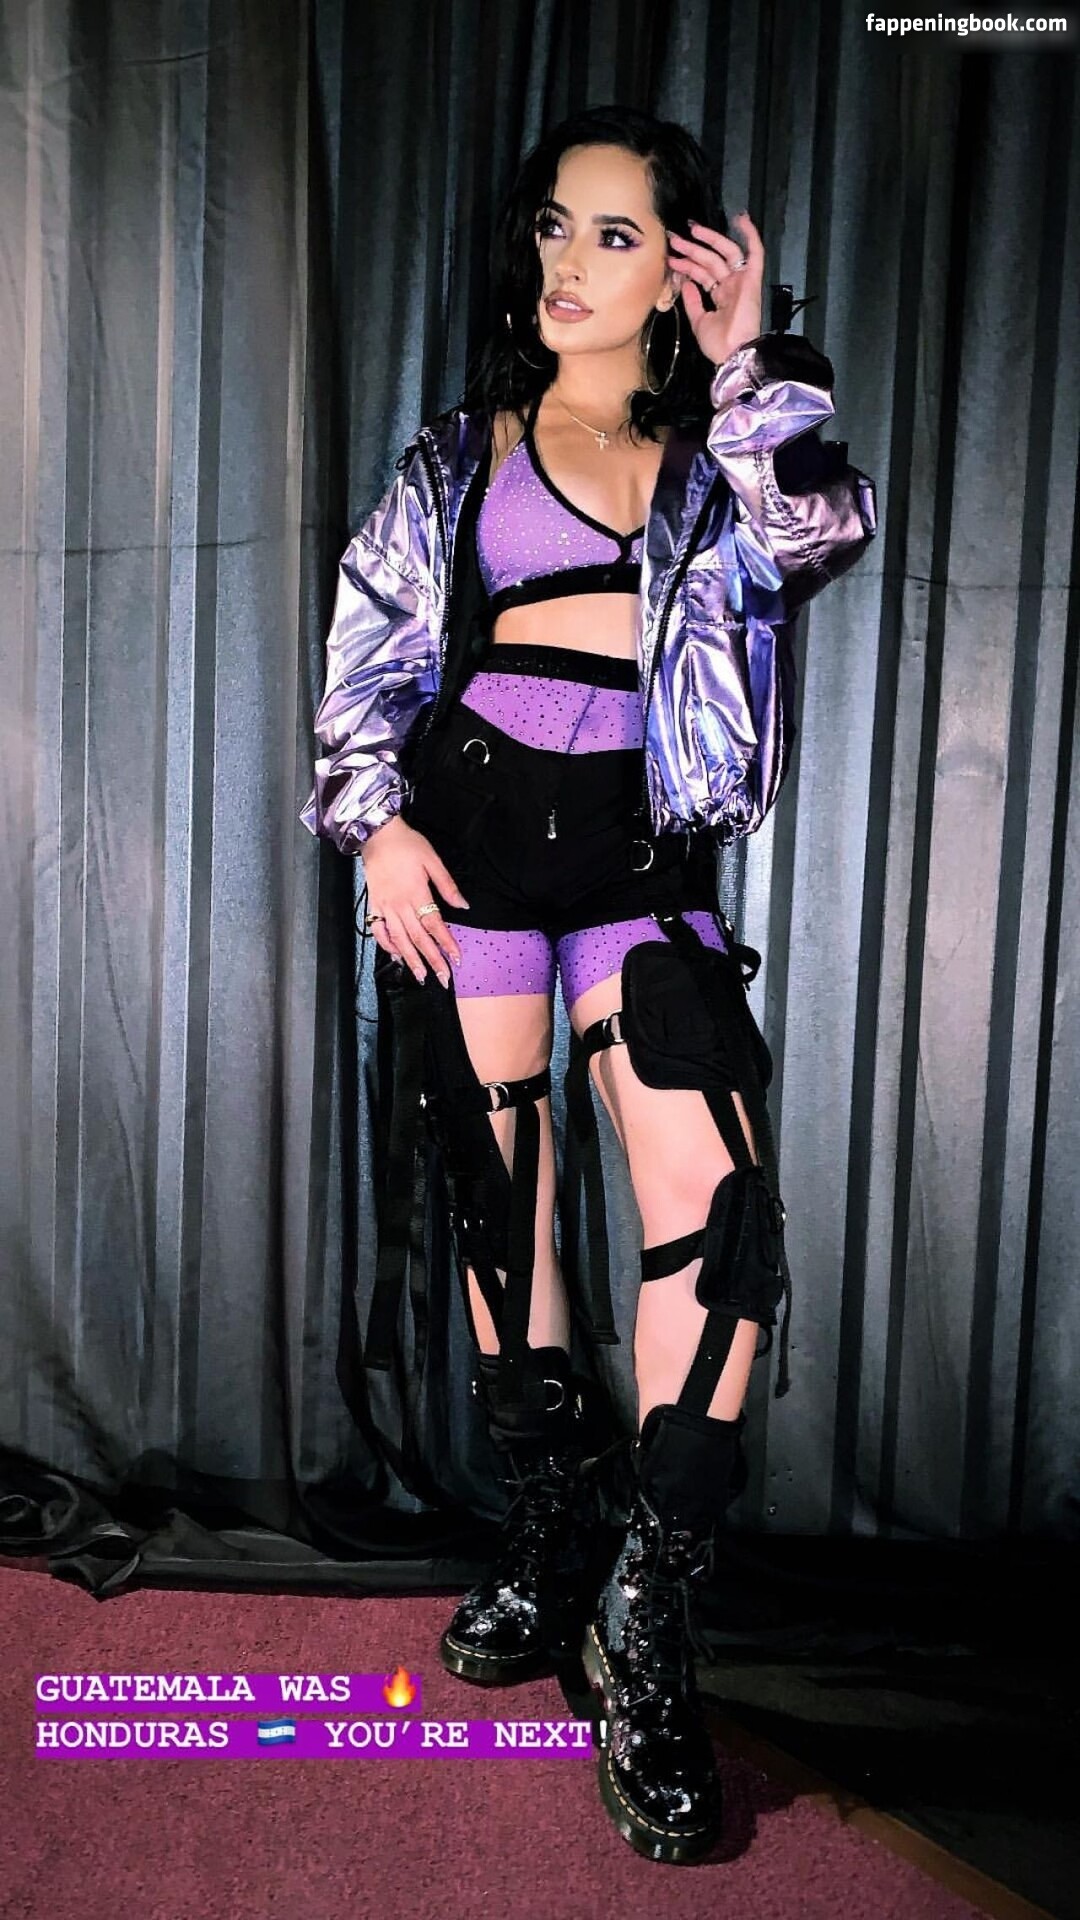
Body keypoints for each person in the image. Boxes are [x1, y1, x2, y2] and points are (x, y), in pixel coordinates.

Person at [301, 104, 877, 1865]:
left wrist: (751, 359)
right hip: (472, 841)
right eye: (556, 226)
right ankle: (550, 1531)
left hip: (642, 861)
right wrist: (374, 824)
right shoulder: (458, 453)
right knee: (505, 1201)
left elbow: (817, 538)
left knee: (721, 1217)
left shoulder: (725, 454)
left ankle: (652, 1610)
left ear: (678, 262)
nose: (569, 261)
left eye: (616, 234)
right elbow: (369, 654)